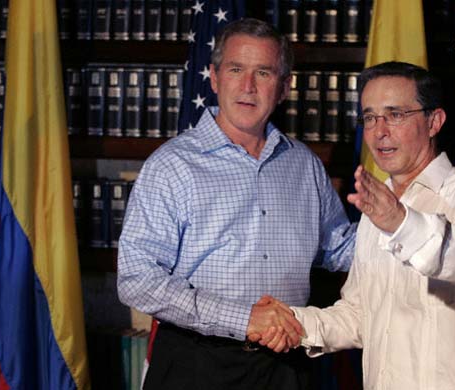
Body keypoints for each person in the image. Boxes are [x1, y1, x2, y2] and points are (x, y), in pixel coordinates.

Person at [116, 18, 356, 390]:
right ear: (214, 77)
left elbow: (341, 248)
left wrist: (417, 226)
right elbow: (137, 280)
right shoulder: (171, 165)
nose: (248, 86)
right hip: (196, 366)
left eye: (263, 72)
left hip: (287, 368)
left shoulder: (304, 164)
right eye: (235, 69)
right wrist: (243, 318)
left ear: (284, 87)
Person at [253, 61, 455, 389]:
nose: (379, 131)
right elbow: (360, 316)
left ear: (434, 121)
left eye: (395, 115)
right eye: (370, 117)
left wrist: (401, 223)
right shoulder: (377, 206)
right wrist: (293, 322)